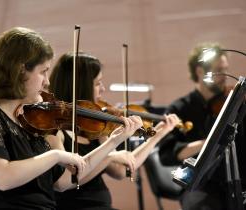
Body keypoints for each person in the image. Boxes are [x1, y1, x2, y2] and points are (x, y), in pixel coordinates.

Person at [0, 27, 142, 210]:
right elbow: (2, 178)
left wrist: (113, 142)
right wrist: (55, 155)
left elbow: (62, 182)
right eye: (43, 72)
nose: (47, 82)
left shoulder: (29, 121)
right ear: (20, 71)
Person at [47, 52, 180, 210]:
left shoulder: (95, 126)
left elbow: (121, 170)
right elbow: (66, 181)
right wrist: (109, 156)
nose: (103, 89)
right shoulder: (54, 130)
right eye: (97, 83)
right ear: (80, 86)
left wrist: (157, 135)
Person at [159, 42, 246, 210]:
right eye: (219, 70)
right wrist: (209, 142)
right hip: (201, 185)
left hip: (240, 178)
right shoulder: (179, 108)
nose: (225, 76)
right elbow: (167, 154)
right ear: (200, 71)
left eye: (226, 69)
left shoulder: (234, 102)